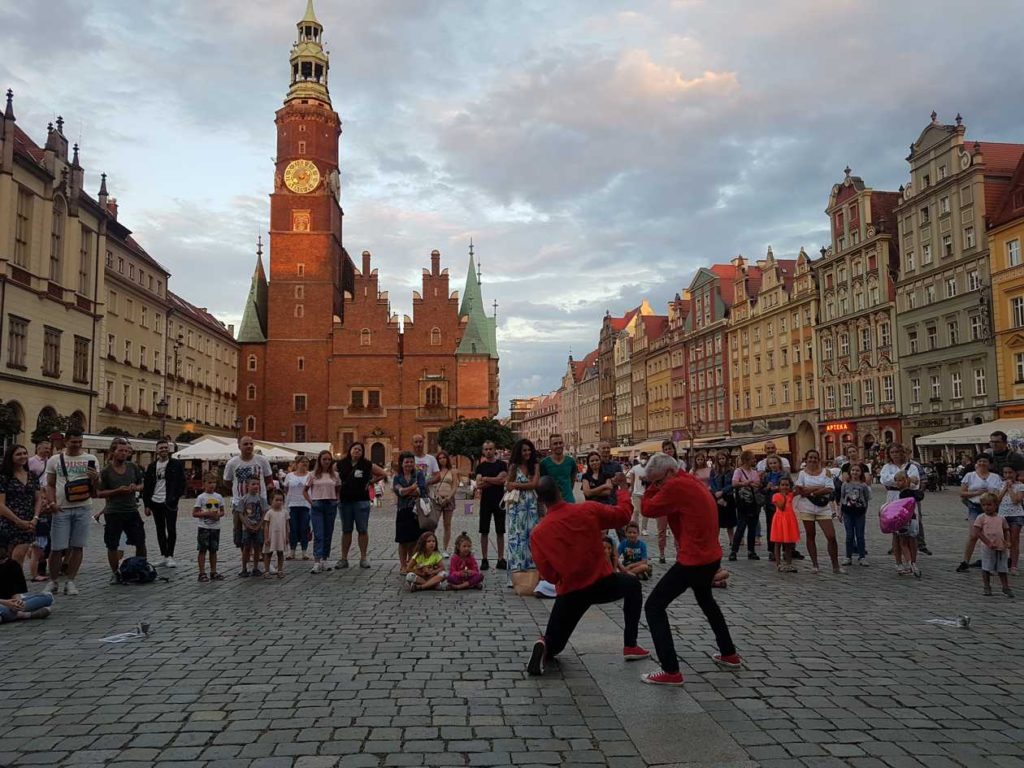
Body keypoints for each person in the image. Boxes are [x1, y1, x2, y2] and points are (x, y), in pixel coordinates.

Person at [527, 475, 650, 676]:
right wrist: (622, 489)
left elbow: (548, 574)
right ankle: (630, 645)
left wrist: (562, 575)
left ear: (540, 500)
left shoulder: (539, 533)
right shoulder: (587, 509)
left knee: (555, 644)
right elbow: (623, 515)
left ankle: (543, 644)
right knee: (633, 586)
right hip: (602, 581)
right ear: (559, 490)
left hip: (571, 591)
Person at [640, 453, 741, 685]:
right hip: (710, 555)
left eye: (657, 481)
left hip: (694, 559)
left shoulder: (675, 485)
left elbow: (647, 509)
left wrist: (647, 487)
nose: (657, 486)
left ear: (669, 473)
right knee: (706, 601)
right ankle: (729, 653)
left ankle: (670, 670)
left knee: (654, 607)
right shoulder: (691, 480)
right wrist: (656, 484)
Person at [43, 429, 98, 596]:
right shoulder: (55, 460)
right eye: (74, 442)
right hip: (61, 508)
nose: (77, 445)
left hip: (83, 506)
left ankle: (70, 581)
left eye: (80, 442)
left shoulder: (90, 459)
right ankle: (53, 581)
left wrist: (95, 478)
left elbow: (96, 489)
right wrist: (51, 502)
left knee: (77, 546)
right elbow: (50, 484)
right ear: (66, 441)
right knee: (57, 547)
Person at [97, 440, 147, 583]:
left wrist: (136, 487)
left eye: (126, 451)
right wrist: (117, 491)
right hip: (113, 512)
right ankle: (115, 573)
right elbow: (100, 493)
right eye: (121, 450)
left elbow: (142, 484)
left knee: (140, 541)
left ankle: (140, 568)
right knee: (112, 544)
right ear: (113, 452)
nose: (124, 453)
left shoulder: (132, 467)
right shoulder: (106, 471)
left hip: (131, 510)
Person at [223, 436, 274, 563]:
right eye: (245, 444)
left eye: (251, 444)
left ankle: (260, 554)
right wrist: (239, 492)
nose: (249, 446)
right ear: (239, 446)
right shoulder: (232, 463)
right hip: (239, 502)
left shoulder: (262, 461)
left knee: (260, 529)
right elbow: (227, 482)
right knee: (239, 530)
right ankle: (245, 555)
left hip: (259, 502)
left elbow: (269, 479)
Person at [336, 443, 386, 569]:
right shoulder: (341, 463)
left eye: (360, 449)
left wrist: (371, 481)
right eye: (355, 449)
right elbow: (330, 474)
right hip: (345, 501)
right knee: (346, 530)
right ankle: (344, 558)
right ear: (350, 450)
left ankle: (363, 558)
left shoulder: (367, 464)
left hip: (361, 501)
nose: (357, 451)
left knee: (362, 530)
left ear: (362, 452)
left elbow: (383, 473)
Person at [794, 449, 843, 575]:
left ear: (818, 459)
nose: (812, 460)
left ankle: (835, 565)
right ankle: (815, 564)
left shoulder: (826, 472)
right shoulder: (802, 474)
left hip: (823, 507)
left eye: (815, 457)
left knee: (831, 536)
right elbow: (800, 490)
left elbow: (830, 488)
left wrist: (812, 491)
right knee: (811, 535)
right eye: (810, 457)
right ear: (806, 459)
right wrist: (818, 488)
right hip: (806, 507)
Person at [142, 439, 186, 568]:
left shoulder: (175, 464)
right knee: (160, 529)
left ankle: (170, 555)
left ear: (169, 449)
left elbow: (182, 482)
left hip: (169, 501)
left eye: (166, 448)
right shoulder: (151, 466)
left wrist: (175, 498)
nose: (164, 450)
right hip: (155, 501)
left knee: (171, 529)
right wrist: (147, 505)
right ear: (156, 450)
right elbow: (147, 486)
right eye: (161, 448)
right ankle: (164, 555)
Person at [957, 455, 1002, 573]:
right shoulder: (970, 476)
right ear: (976, 463)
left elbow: (998, 494)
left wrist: (992, 494)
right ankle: (965, 561)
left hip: (991, 508)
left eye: (985, 461)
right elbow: (962, 492)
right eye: (980, 461)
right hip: (975, 506)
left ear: (989, 464)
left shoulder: (995, 477)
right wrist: (976, 492)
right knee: (973, 535)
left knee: (991, 534)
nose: (982, 463)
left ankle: (992, 561)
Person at [505, 439, 541, 585]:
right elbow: (508, 486)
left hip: (531, 506)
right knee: (517, 539)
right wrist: (520, 485)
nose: (527, 453)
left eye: (529, 450)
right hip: (516, 507)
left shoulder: (535, 465)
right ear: (519, 452)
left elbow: (534, 484)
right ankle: (515, 576)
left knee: (531, 538)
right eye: (524, 450)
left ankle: (531, 574)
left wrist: (517, 485)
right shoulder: (514, 466)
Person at [0, 445, 43, 566]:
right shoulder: (4, 477)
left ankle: (14, 583)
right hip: (8, 522)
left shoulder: (32, 476)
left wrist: (35, 518)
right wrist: (17, 521)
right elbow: (0, 504)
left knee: (18, 558)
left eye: (25, 453)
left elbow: (38, 499)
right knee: (6, 559)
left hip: (28, 522)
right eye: (19, 454)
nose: (23, 456)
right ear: (10, 457)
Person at [0, 537, 53, 623]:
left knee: (47, 598)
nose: (2, 562)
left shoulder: (12, 565)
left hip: (11, 601)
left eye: (3, 559)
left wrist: (18, 602)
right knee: (5, 611)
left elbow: (16, 590)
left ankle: (15, 612)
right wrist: (6, 603)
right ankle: (24, 615)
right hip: (3, 603)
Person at [474, 441, 508, 571]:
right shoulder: (480, 467)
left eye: (490, 449)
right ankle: (484, 559)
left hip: (500, 501)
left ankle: (500, 558)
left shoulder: (502, 464)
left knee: (500, 531)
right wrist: (495, 480)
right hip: (486, 502)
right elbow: (478, 485)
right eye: (486, 449)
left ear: (495, 450)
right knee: (484, 531)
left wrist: (486, 479)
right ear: (483, 451)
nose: (488, 451)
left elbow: (503, 480)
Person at [305, 450, 341, 574]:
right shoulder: (313, 474)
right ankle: (317, 561)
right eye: (324, 459)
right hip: (318, 504)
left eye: (328, 459)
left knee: (328, 533)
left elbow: (338, 489)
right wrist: (311, 502)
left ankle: (325, 559)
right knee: (319, 534)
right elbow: (305, 490)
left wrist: (337, 500)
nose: (326, 461)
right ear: (319, 460)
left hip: (330, 504)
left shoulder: (335, 475)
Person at [393, 451, 428, 573]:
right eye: (406, 462)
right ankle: (403, 565)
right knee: (402, 540)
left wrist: (406, 491)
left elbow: (422, 491)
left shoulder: (419, 475)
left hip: (416, 512)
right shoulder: (397, 477)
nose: (409, 464)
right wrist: (412, 489)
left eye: (411, 461)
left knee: (414, 540)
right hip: (402, 511)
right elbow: (399, 492)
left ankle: (411, 564)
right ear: (401, 464)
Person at [974, 492, 1013, 597]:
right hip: (987, 547)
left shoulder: (1001, 518)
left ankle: (1005, 587)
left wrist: (1008, 541)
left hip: (1001, 546)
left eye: (989, 504)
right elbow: (977, 532)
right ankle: (987, 586)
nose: (987, 507)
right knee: (986, 567)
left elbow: (1006, 530)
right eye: (984, 505)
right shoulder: (981, 518)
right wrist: (987, 542)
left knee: (1002, 568)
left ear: (996, 505)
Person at [192, 472, 226, 582]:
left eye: (214, 482)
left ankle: (213, 571)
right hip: (204, 527)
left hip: (215, 527)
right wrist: (207, 514)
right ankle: (202, 572)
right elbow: (195, 513)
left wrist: (218, 515)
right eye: (210, 482)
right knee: (202, 550)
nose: (212, 485)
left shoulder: (218, 497)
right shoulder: (201, 497)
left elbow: (222, 511)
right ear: (204, 484)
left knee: (213, 550)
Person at [729, 450, 762, 561]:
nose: (754, 460)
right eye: (752, 458)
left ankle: (751, 551)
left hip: (753, 503)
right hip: (742, 502)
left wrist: (749, 483)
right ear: (746, 460)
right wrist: (745, 483)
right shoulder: (738, 471)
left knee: (752, 527)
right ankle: (734, 551)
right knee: (741, 526)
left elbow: (758, 484)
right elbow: (734, 483)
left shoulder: (754, 472)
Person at [839, 464, 872, 566]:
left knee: (860, 535)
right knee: (849, 535)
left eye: (857, 470)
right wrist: (840, 512)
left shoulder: (863, 485)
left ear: (861, 473)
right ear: (849, 472)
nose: (855, 472)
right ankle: (848, 557)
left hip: (859, 513)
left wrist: (864, 511)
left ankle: (862, 556)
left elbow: (866, 499)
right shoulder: (845, 484)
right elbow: (842, 498)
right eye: (853, 470)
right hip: (847, 512)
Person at [892, 471, 921, 577]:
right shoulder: (913, 491)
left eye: (900, 480)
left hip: (905, 520)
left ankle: (910, 563)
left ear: (906, 480)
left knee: (903, 542)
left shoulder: (904, 493)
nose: (898, 483)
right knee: (912, 540)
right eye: (897, 481)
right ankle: (913, 562)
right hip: (913, 519)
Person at [282, 456, 311, 561]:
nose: (305, 464)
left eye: (307, 462)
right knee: (293, 529)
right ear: (297, 463)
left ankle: (304, 552)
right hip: (292, 505)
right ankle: (292, 552)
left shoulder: (310, 475)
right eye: (302, 462)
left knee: (304, 528)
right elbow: (286, 489)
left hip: (305, 505)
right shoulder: (289, 475)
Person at [432, 450, 460, 558]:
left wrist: (448, 497)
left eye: (444, 457)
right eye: (440, 458)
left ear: (447, 459)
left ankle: (444, 548)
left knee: (447, 525)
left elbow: (454, 486)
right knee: (433, 524)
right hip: (437, 500)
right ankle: (433, 548)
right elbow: (432, 485)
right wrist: (437, 496)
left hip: (449, 499)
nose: (442, 460)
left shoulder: (452, 471)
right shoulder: (436, 471)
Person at [654, 440, 679, 564]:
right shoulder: (659, 466)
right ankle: (662, 554)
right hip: (663, 500)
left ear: (674, 450)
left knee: (678, 529)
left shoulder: (680, 464)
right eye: (666, 449)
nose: (668, 451)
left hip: (677, 500)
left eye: (670, 448)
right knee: (661, 529)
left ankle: (679, 553)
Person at [237, 478, 267, 577]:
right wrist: (247, 525)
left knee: (257, 547)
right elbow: (241, 513)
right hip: (247, 528)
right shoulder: (243, 499)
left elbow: (264, 513)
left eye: (257, 484)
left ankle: (255, 567)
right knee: (246, 547)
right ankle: (244, 568)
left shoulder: (261, 499)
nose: (256, 486)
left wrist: (259, 525)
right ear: (247, 486)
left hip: (258, 527)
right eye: (253, 484)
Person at [998, 466, 1024, 576]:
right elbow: (997, 499)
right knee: (1001, 540)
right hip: (1002, 515)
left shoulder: (1020, 486)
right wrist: (1004, 488)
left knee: (1014, 540)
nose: (1008, 475)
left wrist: (1010, 488)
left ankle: (1013, 565)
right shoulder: (1000, 485)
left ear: (1015, 473)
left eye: (1010, 473)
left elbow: (1016, 500)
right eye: (1005, 473)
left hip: (1016, 515)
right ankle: (1001, 564)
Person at [540, 434, 577, 508]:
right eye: (555, 444)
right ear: (550, 446)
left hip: (569, 501)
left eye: (560, 443)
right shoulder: (544, 463)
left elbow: (572, 479)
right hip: (552, 503)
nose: (558, 445)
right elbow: (542, 483)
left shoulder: (571, 461)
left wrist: (568, 490)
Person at [771, 476, 800, 572]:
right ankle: (778, 563)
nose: (784, 487)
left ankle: (789, 563)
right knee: (778, 542)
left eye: (787, 485)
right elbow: (781, 507)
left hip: (789, 520)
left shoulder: (790, 495)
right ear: (779, 486)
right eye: (782, 485)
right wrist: (783, 496)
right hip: (780, 520)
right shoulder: (776, 496)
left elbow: (798, 490)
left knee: (788, 543)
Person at [761, 455, 787, 562]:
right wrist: (767, 488)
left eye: (775, 463)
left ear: (779, 463)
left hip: (783, 504)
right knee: (771, 528)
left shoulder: (784, 474)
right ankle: (772, 551)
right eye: (771, 463)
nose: (773, 465)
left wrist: (779, 488)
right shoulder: (767, 476)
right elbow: (762, 490)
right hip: (770, 504)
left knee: (785, 527)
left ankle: (787, 550)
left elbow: (790, 487)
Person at [709, 452, 735, 547]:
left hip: (728, 496)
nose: (721, 460)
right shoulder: (714, 471)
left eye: (723, 458)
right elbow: (712, 483)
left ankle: (732, 540)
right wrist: (717, 493)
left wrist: (723, 491)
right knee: (717, 521)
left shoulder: (731, 470)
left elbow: (732, 484)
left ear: (727, 459)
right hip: (716, 496)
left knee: (729, 521)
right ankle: (716, 541)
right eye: (719, 459)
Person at [262, 490, 290, 579]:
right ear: (271, 501)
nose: (279, 502)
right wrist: (266, 537)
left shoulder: (285, 512)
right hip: (271, 536)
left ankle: (280, 570)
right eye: (276, 500)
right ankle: (266, 571)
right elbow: (266, 526)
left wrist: (287, 536)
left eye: (281, 500)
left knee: (280, 553)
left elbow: (287, 525)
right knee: (268, 553)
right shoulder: (269, 512)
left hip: (281, 536)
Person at [626, 453, 648, 535]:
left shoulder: (649, 468)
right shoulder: (635, 468)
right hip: (636, 492)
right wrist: (631, 489)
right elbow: (631, 479)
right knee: (636, 511)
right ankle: (636, 528)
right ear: (640, 458)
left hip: (646, 493)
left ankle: (644, 529)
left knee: (645, 512)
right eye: (642, 458)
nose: (643, 460)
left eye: (645, 458)